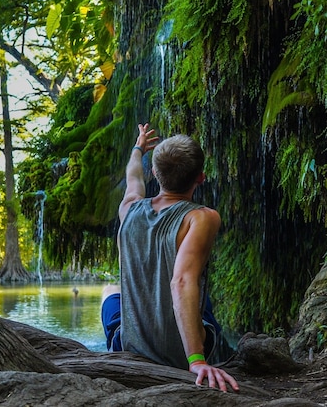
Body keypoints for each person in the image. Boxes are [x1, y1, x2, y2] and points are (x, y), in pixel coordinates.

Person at [100, 123, 239, 392]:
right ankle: (195, 350)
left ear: (154, 173)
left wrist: (138, 148)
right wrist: (197, 360)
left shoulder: (129, 209)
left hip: (128, 348)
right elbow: (182, 281)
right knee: (197, 290)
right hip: (180, 355)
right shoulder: (201, 217)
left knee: (109, 292)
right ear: (201, 177)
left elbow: (133, 179)